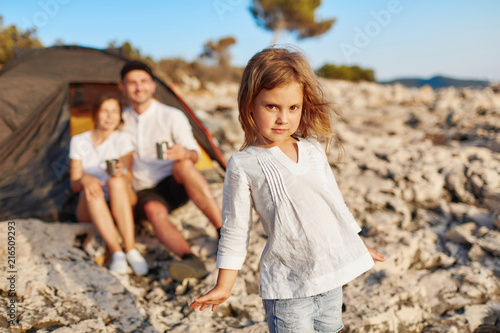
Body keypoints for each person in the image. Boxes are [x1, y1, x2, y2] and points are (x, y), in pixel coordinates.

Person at [190, 47, 386, 332]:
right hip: (287, 289)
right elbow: (235, 230)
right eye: (272, 107)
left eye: (293, 108)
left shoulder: (312, 150)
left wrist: (355, 244)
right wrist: (224, 284)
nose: (283, 118)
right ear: (249, 106)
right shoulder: (244, 164)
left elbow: (334, 203)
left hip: (330, 282)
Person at [119, 60, 223, 281]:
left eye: (144, 82)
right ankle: (190, 260)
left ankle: (223, 230)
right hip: (144, 189)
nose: (139, 87)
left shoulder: (171, 115)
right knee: (153, 211)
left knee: (184, 164)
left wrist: (185, 153)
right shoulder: (120, 119)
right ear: (123, 87)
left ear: (153, 85)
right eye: (132, 83)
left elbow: (195, 154)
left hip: (174, 182)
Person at [69, 94, 148, 276]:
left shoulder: (122, 140)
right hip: (92, 205)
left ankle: (130, 249)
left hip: (120, 200)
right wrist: (84, 179)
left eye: (114, 112)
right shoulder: (79, 141)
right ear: (96, 114)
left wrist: (122, 171)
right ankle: (116, 252)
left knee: (117, 181)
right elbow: (74, 185)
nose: (109, 116)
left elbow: (127, 179)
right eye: (105, 111)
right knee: (92, 187)